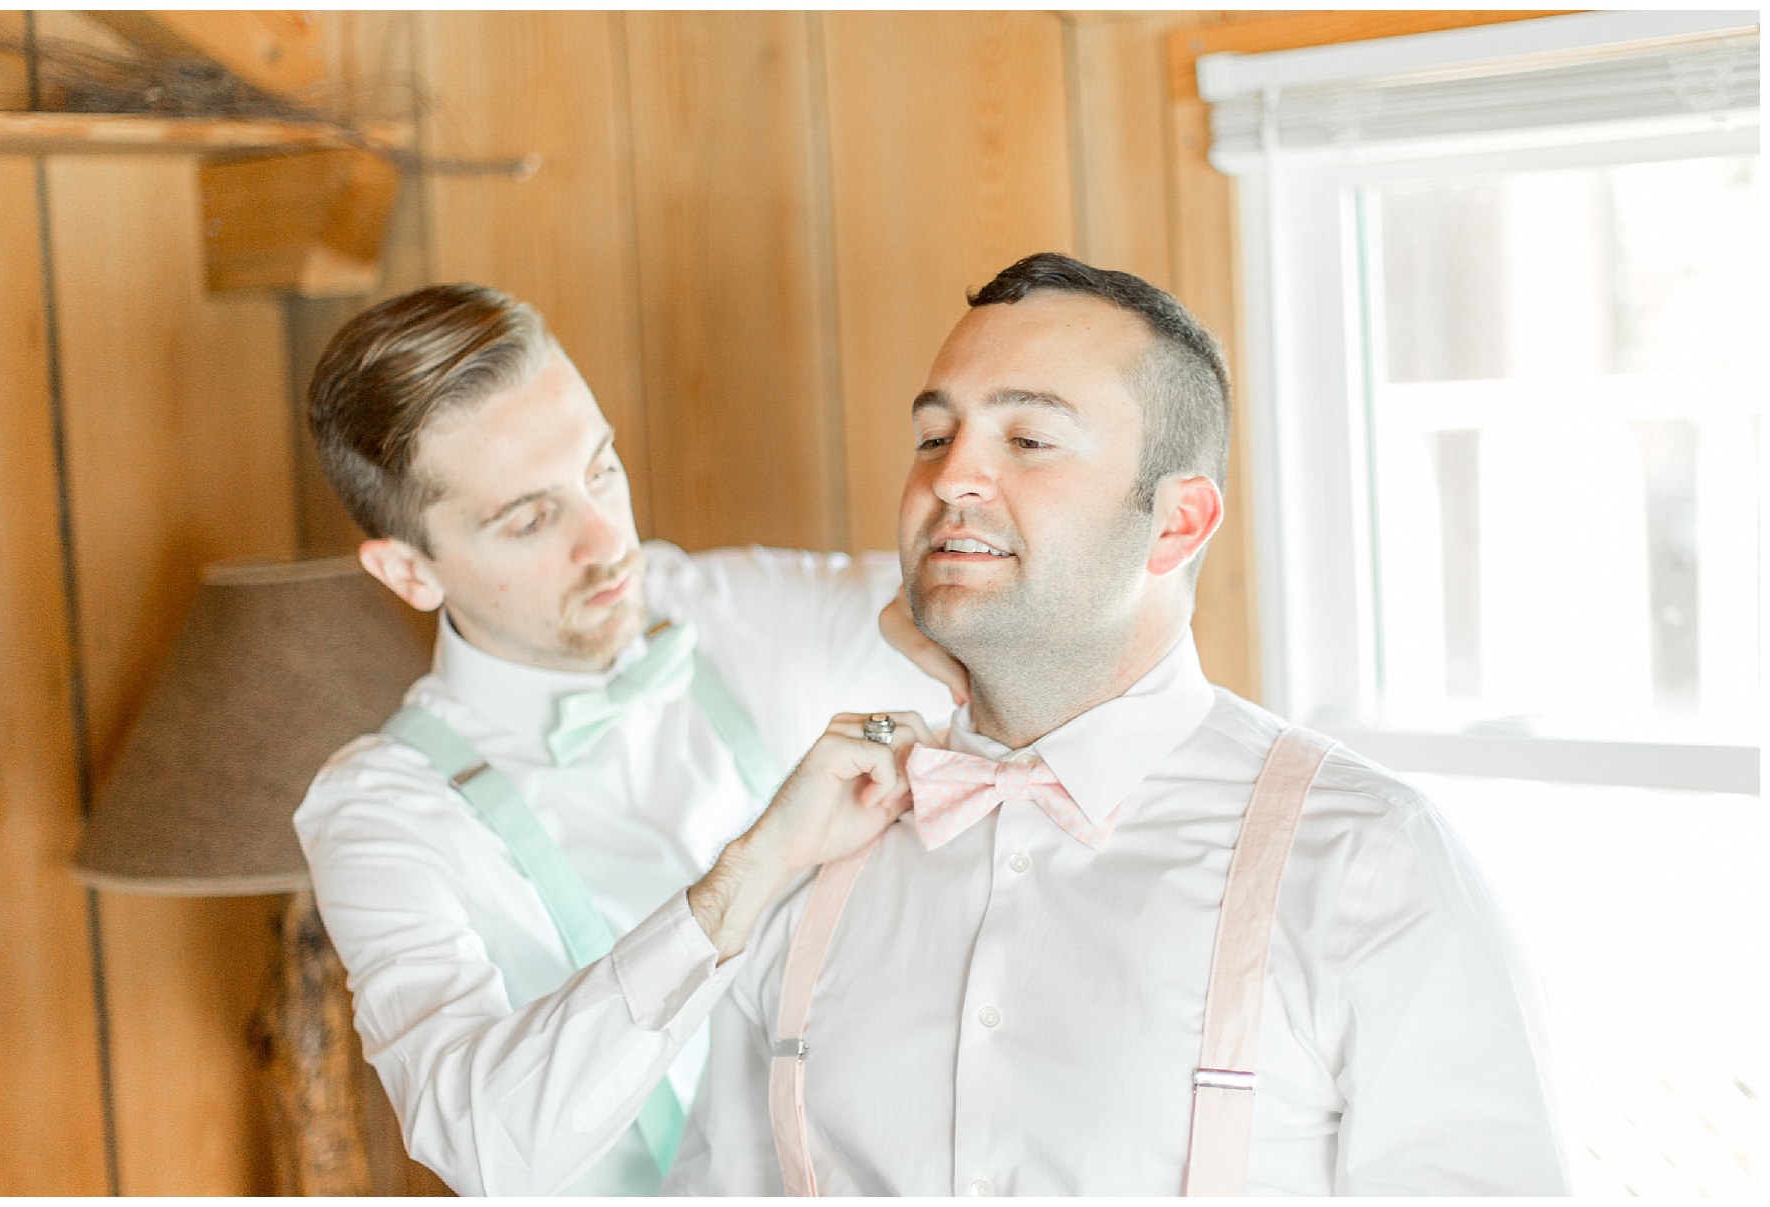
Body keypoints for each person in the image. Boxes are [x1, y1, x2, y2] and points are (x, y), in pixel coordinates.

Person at [665, 253, 1571, 1195]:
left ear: (1176, 524)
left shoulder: (1368, 863)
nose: (951, 477)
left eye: (1029, 439)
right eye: (934, 436)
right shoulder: (816, 852)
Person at [291, 284, 954, 1195]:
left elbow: (998, 614)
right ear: (409, 571)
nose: (607, 542)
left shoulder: (722, 608)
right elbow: (486, 1146)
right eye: (531, 518)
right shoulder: (380, 810)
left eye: (600, 469)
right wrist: (756, 866)